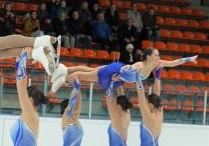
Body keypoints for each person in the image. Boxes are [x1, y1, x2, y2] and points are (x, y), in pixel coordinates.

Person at [51, 48, 197, 93]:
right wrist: (126, 69)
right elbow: (131, 67)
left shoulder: (156, 64)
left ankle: (64, 69)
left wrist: (190, 59)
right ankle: (62, 78)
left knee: (89, 70)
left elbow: (174, 63)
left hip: (117, 70)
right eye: (156, 55)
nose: (159, 57)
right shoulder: (140, 65)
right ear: (148, 57)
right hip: (115, 72)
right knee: (85, 75)